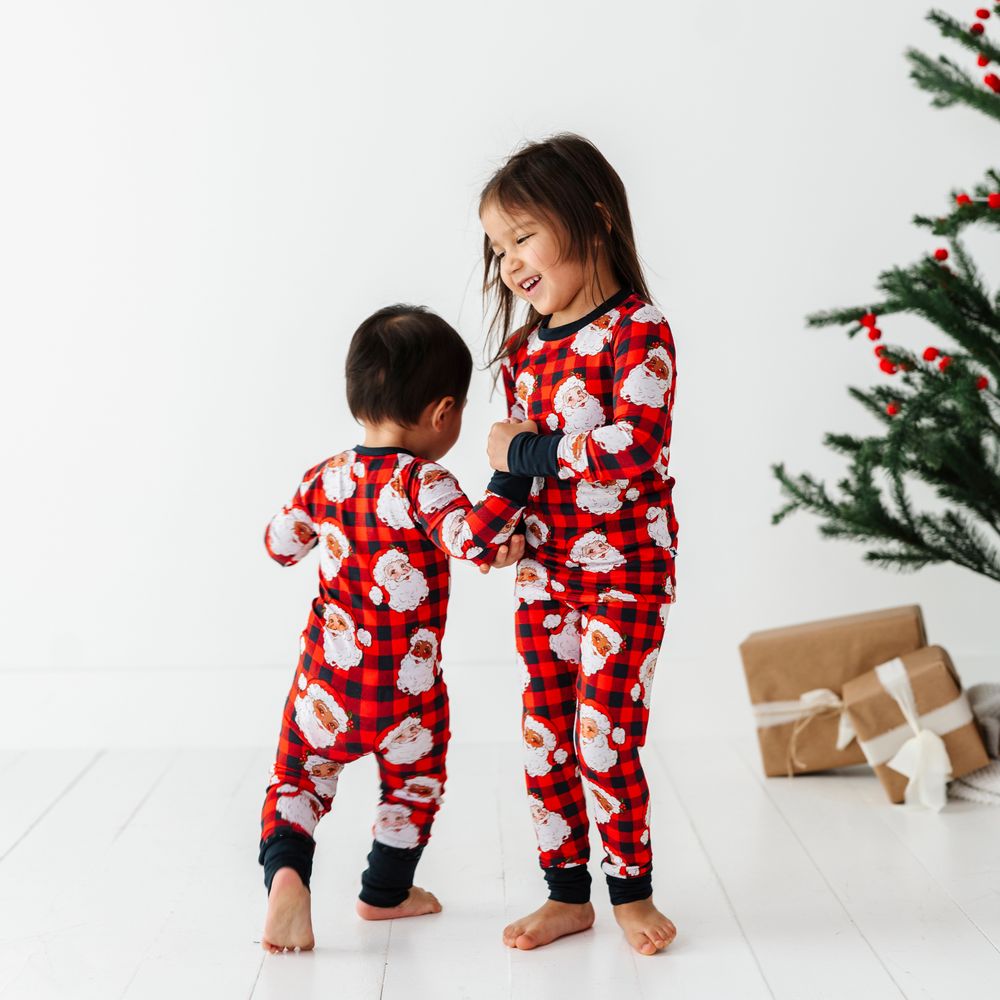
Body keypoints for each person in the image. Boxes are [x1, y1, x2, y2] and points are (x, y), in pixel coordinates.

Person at [259, 304, 529, 953]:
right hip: (405, 696)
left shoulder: (323, 478)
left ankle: (288, 876)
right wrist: (513, 469)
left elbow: (278, 546)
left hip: (324, 686)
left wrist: (317, 527)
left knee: (298, 779)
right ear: (444, 413)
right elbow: (471, 538)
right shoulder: (426, 481)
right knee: (414, 782)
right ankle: (385, 893)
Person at [479, 133, 679, 956]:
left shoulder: (640, 331)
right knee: (547, 732)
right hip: (547, 579)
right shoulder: (525, 352)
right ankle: (567, 893)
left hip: (627, 574)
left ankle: (630, 891)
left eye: (523, 236)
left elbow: (632, 453)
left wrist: (520, 451)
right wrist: (503, 530)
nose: (509, 264)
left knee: (604, 732)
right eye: (497, 248)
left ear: (592, 219)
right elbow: (520, 476)